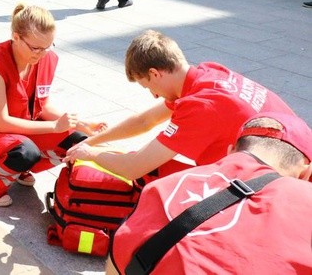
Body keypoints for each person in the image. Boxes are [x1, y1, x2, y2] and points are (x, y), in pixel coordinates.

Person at [65, 30, 298, 181]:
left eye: (148, 87)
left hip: (280, 183)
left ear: (154, 73)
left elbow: (134, 167)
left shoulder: (198, 106)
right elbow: (145, 121)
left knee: (156, 176)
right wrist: (91, 140)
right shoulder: (208, 73)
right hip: (296, 154)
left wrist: (91, 153)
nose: (154, 96)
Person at [108, 111, 312, 275]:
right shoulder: (305, 200)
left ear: (231, 151)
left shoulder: (161, 186)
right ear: (306, 172)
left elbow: (117, 259)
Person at [0, 4, 106, 207]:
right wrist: (54, 127)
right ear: (16, 37)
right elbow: (1, 123)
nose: (42, 54)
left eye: (48, 46)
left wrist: (81, 124)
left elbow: (42, 105)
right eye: (35, 48)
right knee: (25, 152)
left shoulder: (46, 58)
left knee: (77, 142)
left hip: (20, 127)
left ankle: (18, 169)